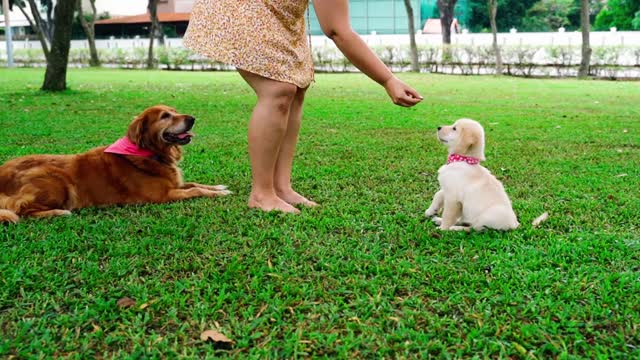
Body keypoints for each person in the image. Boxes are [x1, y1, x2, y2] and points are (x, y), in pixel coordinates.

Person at [183, 0, 423, 213]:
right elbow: (337, 30)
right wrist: (387, 80)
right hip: (243, 8)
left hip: (282, 15)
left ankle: (281, 187)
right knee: (278, 89)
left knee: (296, 88)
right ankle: (261, 194)